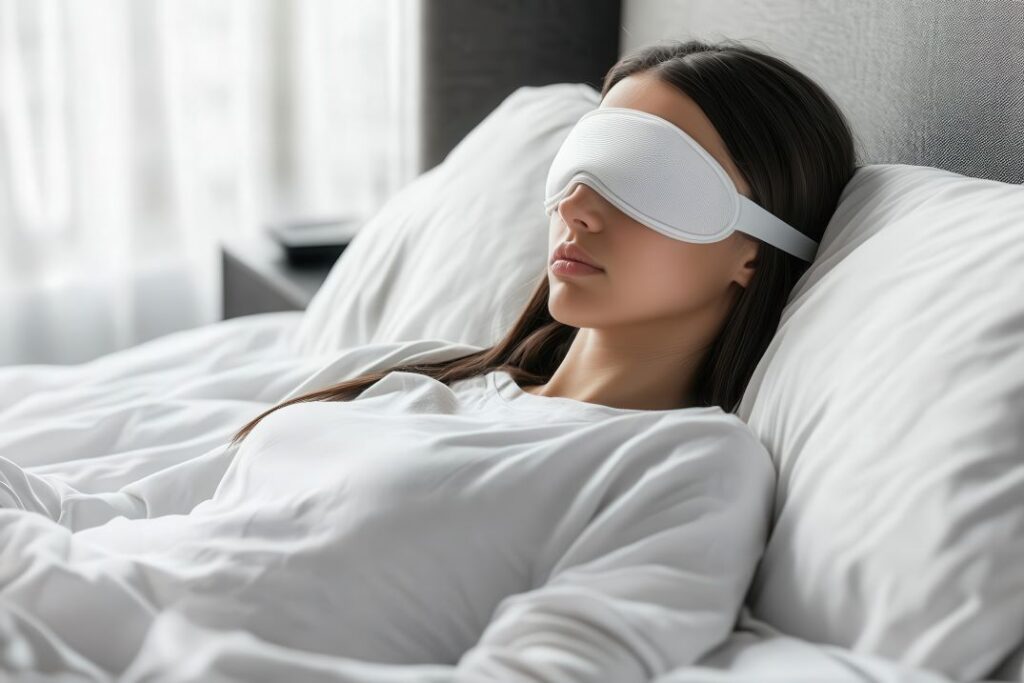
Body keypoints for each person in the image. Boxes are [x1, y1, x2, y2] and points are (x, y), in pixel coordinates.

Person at [0, 38, 857, 682]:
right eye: (580, 162)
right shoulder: (424, 370)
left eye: (646, 175)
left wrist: (192, 660)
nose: (579, 206)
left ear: (754, 250)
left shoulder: (688, 465)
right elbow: (105, 513)